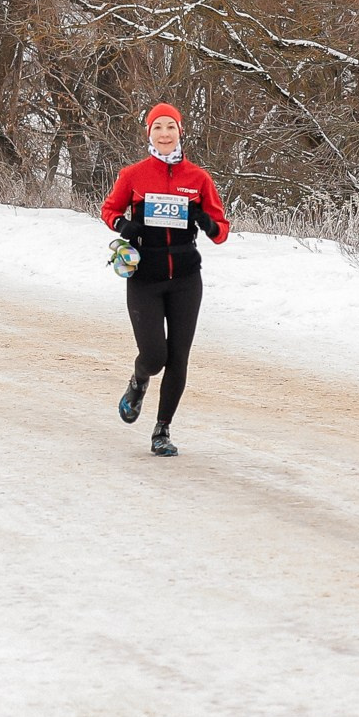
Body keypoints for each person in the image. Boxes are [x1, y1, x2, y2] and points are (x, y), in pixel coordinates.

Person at [100, 103, 230, 457]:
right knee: (155, 355)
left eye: (170, 127)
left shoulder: (198, 178)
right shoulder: (133, 175)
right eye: (157, 127)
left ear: (180, 132)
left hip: (186, 277)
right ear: (149, 133)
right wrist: (122, 225)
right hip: (145, 277)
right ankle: (139, 380)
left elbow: (222, 232)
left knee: (178, 358)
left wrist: (208, 223)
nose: (165, 134)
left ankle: (162, 430)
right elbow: (109, 209)